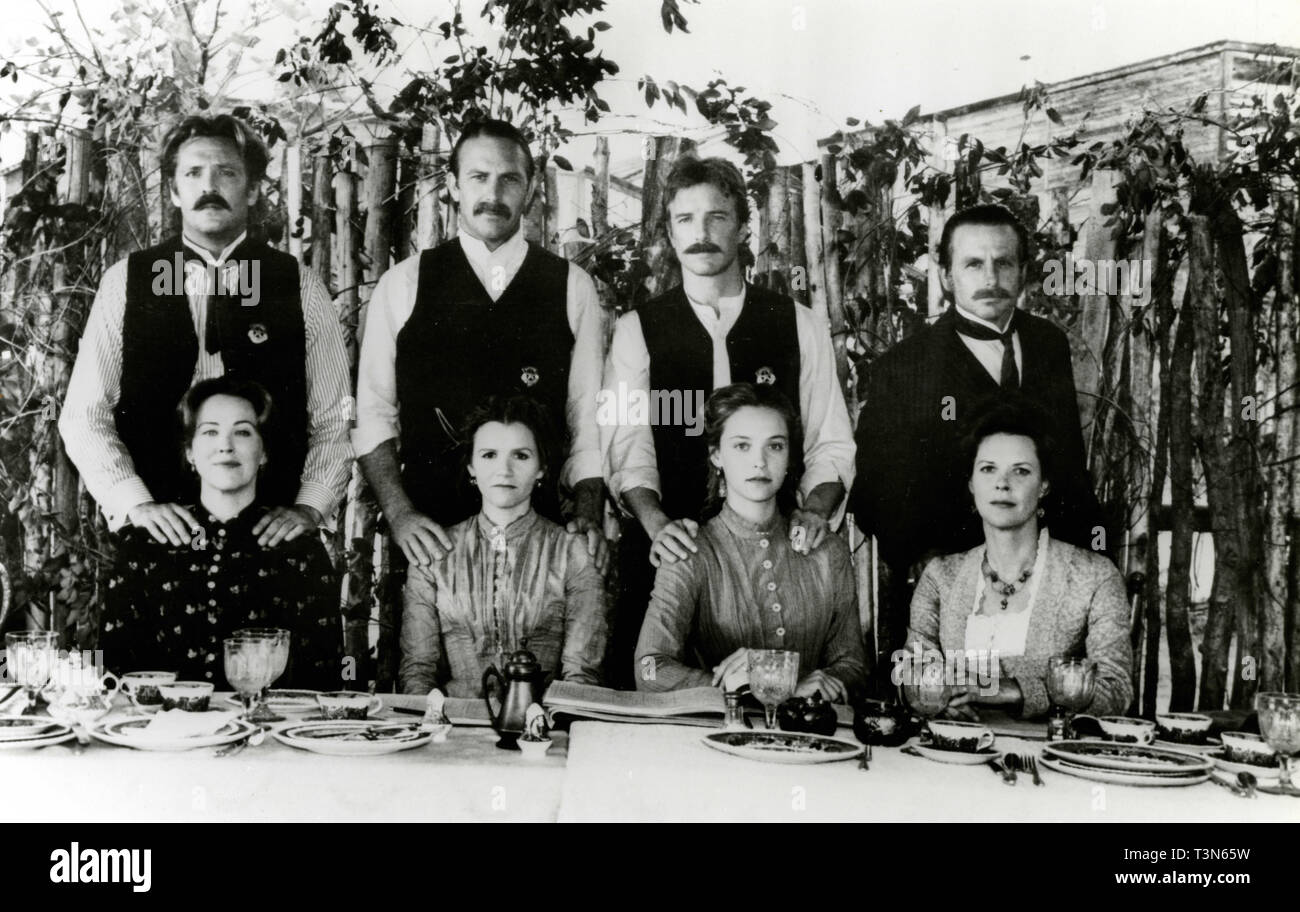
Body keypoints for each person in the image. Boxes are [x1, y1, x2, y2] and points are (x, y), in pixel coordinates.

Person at [603, 156, 855, 686]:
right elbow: (625, 448)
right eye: (685, 219)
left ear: (743, 227)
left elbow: (832, 441)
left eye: (717, 217)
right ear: (668, 233)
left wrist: (814, 511)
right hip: (670, 555)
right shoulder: (635, 332)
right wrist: (656, 525)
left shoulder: (799, 325)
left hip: (778, 558)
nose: (701, 233)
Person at [60, 113, 352, 549]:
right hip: (157, 535)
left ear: (252, 189)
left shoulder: (297, 285)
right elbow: (84, 414)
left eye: (227, 172)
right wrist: (135, 504)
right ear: (175, 191)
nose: (209, 186)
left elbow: (336, 417)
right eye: (193, 173)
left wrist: (310, 505)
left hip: (269, 537)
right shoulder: (128, 282)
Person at [849, 203, 1108, 676]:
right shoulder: (904, 368)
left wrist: (1089, 565)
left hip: (1048, 587)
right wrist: (929, 565)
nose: (990, 276)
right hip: (952, 592)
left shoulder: (1048, 345)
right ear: (947, 275)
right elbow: (874, 490)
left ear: (1024, 271)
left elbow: (1067, 465)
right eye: (973, 263)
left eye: (1003, 262)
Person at [354, 118, 609, 577]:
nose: (493, 193)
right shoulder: (403, 285)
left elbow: (587, 421)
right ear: (452, 185)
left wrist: (587, 507)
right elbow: (373, 416)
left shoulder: (571, 287)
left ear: (530, 190)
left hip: (540, 540)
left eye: (509, 178)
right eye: (478, 177)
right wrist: (400, 515)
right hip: (429, 540)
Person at [100, 377, 344, 689]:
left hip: (268, 730)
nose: (225, 445)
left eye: (242, 432)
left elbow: (328, 677)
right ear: (190, 452)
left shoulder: (298, 547)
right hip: (164, 730)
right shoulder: (146, 543)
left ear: (264, 452)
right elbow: (109, 667)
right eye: (210, 431)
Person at [903, 397, 1132, 720]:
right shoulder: (940, 577)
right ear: (971, 484)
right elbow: (912, 675)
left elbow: (1116, 689)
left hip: (1049, 756)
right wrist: (934, 701)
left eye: (1021, 471)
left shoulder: (1094, 576)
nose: (1002, 483)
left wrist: (1011, 690)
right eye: (988, 469)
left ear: (1044, 486)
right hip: (955, 753)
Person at [634, 383, 867, 702]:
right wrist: (749, 683)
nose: (759, 461)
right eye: (742, 446)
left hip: (810, 738)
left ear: (789, 457)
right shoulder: (691, 552)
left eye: (775, 446)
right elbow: (648, 668)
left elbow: (853, 664)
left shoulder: (828, 552)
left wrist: (825, 684)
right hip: (719, 736)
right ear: (716, 455)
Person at [399, 395, 609, 698]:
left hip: (545, 731)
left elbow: (582, 676)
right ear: (471, 466)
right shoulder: (434, 554)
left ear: (541, 468)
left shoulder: (572, 551)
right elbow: (417, 672)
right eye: (489, 455)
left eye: (521, 456)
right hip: (455, 731)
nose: (504, 470)